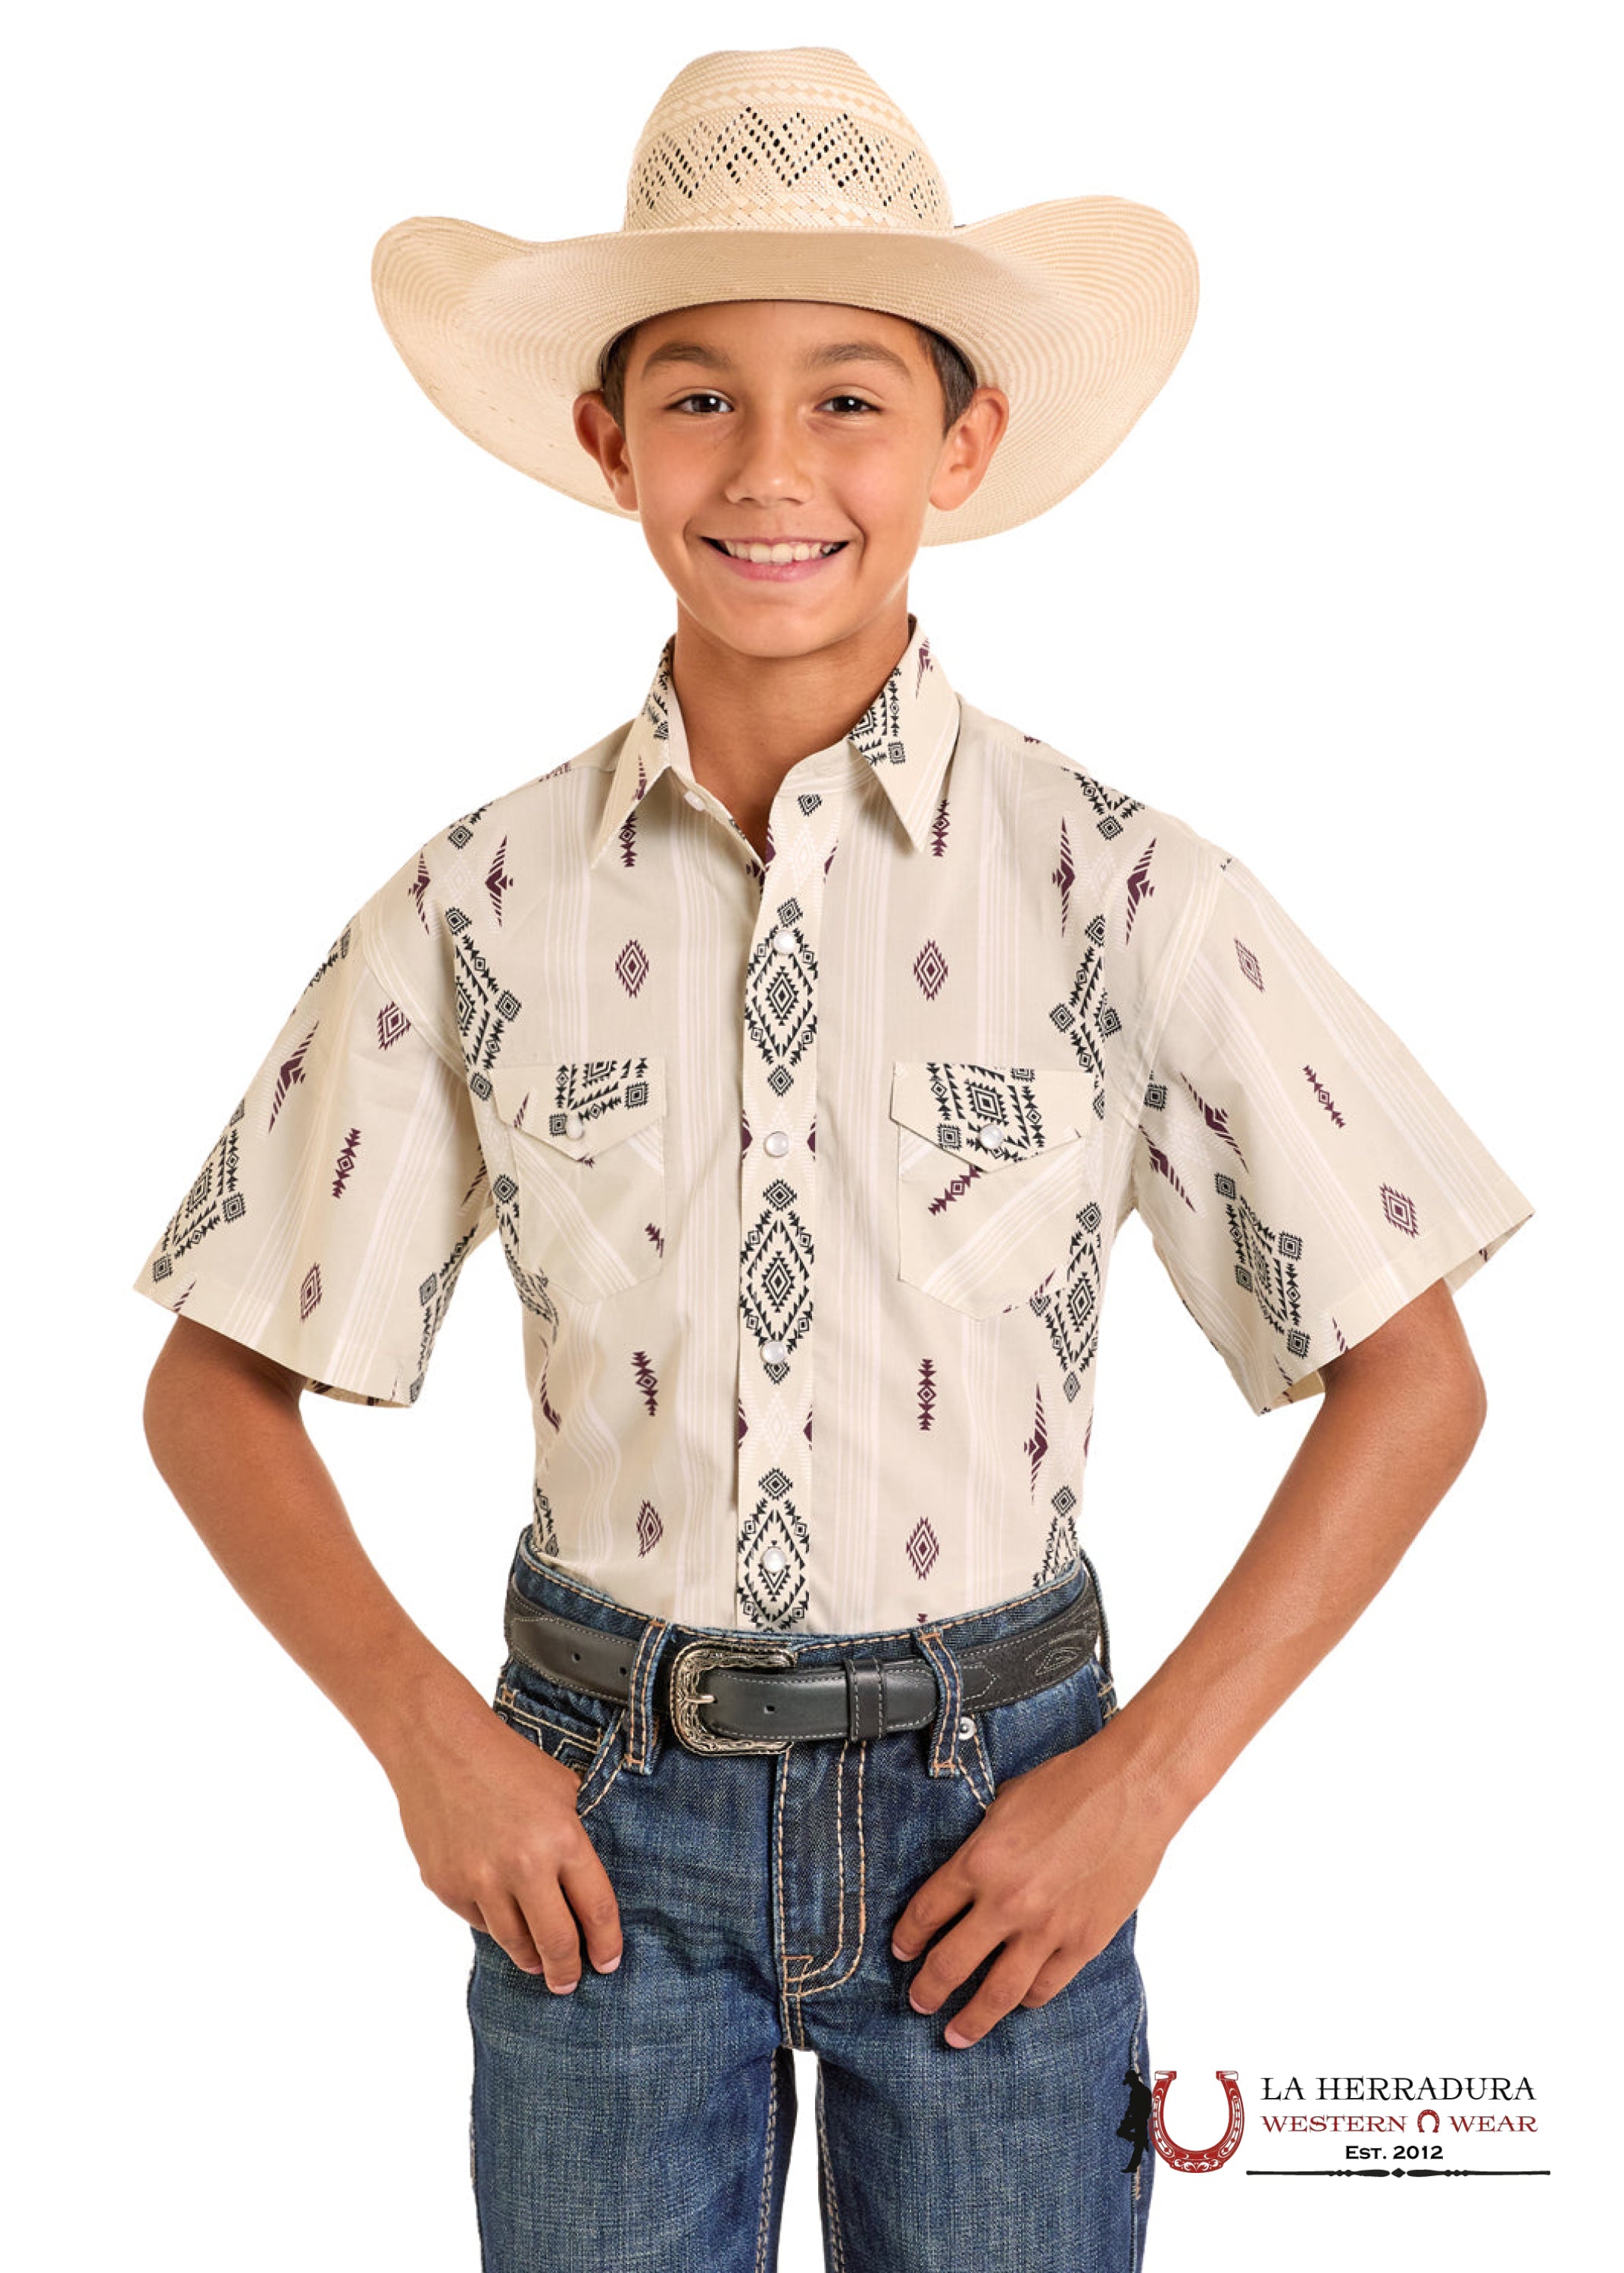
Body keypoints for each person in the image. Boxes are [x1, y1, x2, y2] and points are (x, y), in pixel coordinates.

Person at [133, 45, 1535, 2273]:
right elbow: (215, 1383)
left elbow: (1416, 1374)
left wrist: (1141, 1788)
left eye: (850, 398)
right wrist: (426, 1737)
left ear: (965, 444)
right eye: (699, 396)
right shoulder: (478, 906)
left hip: (1005, 1823)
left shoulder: (1122, 895)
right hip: (597, 1830)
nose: (772, 466)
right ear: (607, 442)